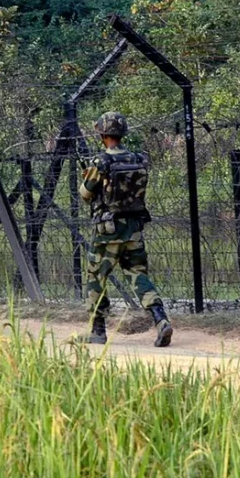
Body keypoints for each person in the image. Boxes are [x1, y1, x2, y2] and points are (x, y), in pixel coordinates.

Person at [78, 111, 173, 347]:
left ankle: (98, 329)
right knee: (138, 274)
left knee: (96, 276)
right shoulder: (138, 159)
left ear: (103, 135)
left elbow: (85, 194)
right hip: (134, 227)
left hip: (108, 231)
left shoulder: (101, 162)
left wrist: (87, 178)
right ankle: (160, 320)